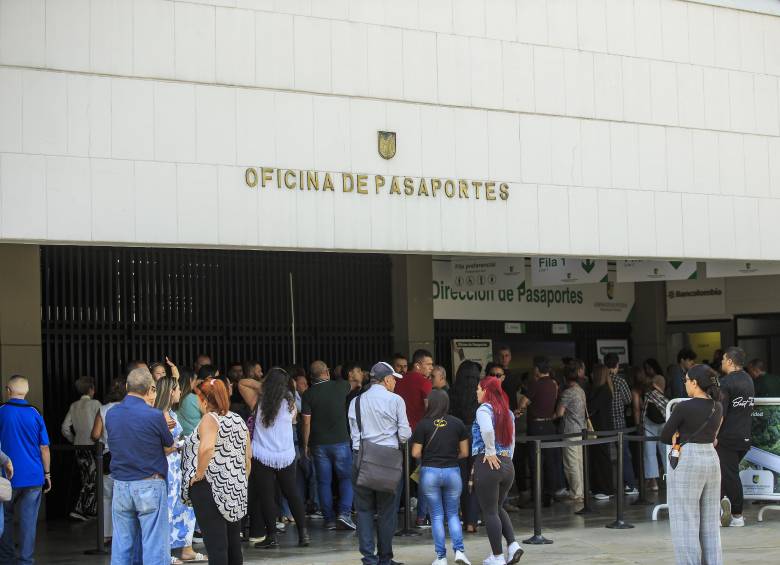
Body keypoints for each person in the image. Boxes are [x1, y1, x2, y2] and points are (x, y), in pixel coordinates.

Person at [106, 368, 175, 565]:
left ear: (127, 387)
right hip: (149, 483)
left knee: (122, 544)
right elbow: (168, 445)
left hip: (120, 484)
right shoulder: (154, 415)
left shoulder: (111, 414)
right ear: (149, 390)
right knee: (154, 544)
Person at [348, 362, 411, 565]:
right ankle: (385, 558)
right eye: (393, 379)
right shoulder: (396, 401)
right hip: (388, 461)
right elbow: (403, 435)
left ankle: (368, 558)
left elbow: (354, 435)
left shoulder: (355, 402)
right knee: (387, 511)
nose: (395, 383)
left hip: (362, 458)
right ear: (386, 379)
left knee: (364, 510)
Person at [182, 378, 251, 565]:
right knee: (233, 545)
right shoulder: (237, 419)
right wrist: (239, 480)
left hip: (209, 487)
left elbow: (206, 449)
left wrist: (198, 474)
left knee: (216, 546)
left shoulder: (209, 419)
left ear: (204, 399)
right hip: (233, 488)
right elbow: (247, 457)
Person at [660, 364, 724, 565]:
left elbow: (664, 436)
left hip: (688, 459)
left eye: (686, 380)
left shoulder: (684, 407)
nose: (685, 383)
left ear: (695, 383)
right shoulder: (717, 406)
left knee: (685, 520)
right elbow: (713, 436)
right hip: (711, 459)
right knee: (710, 523)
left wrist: (677, 436)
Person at [248, 368, 308, 548]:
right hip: (285, 455)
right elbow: (293, 422)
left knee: (267, 496)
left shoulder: (258, 402)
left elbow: (244, 383)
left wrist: (265, 387)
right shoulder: (291, 405)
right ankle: (303, 534)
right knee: (292, 494)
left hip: (262, 454)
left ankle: (272, 536)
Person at [410, 390, 471, 565]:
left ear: (430, 403)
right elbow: (465, 452)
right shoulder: (457, 423)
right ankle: (459, 552)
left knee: (436, 516)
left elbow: (415, 452)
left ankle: (441, 557)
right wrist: (450, 456)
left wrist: (430, 455)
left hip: (430, 472)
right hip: (452, 472)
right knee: (452, 514)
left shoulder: (423, 424)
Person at [471, 376, 523, 565]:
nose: (476, 392)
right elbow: (512, 440)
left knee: (490, 512)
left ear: (486, 391)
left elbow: (486, 430)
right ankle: (513, 545)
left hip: (489, 464)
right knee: (497, 508)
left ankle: (497, 556)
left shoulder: (484, 409)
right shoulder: (508, 412)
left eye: (478, 389)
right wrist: (506, 457)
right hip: (507, 465)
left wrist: (491, 451)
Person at [0, 375, 51, 565]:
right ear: (27, 391)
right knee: (28, 522)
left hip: (6, 477)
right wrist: (47, 474)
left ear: (8, 390)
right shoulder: (35, 414)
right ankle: (25, 560)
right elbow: (44, 448)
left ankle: (5, 559)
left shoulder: (2, 412)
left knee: (4, 519)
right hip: (33, 476)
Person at [301, 360, 355, 531]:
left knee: (323, 482)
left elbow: (306, 423)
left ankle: (329, 520)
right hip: (340, 441)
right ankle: (344, 514)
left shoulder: (308, 395)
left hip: (318, 444)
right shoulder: (340, 386)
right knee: (346, 478)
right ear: (326, 372)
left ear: (311, 377)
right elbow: (354, 384)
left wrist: (306, 444)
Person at [153, 377, 202, 564]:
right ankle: (165, 551)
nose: (181, 392)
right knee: (168, 507)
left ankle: (185, 547)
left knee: (183, 506)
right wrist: (181, 444)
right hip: (167, 465)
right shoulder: (160, 415)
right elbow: (164, 445)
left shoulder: (170, 413)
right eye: (177, 389)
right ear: (170, 392)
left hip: (176, 465)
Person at [394, 349, 434, 526]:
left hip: (400, 435)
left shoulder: (397, 381)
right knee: (423, 474)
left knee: (399, 475)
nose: (431, 368)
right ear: (418, 365)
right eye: (428, 364)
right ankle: (421, 517)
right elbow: (429, 406)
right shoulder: (424, 382)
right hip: (420, 435)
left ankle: (392, 514)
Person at [717, 346, 754, 528]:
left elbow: (721, 412)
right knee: (726, 474)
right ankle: (725, 508)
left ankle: (737, 515)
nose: (722, 362)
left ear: (730, 361)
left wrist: (713, 434)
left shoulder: (726, 382)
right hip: (744, 436)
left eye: (723, 359)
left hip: (728, 437)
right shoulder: (748, 380)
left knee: (730, 475)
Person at [90, 377, 127, 546]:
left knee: (106, 497)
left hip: (107, 456)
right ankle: (124, 535)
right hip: (127, 457)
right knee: (125, 497)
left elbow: (95, 435)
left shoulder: (103, 409)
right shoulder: (129, 409)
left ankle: (105, 535)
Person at [61, 375, 101, 521]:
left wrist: (74, 440)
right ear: (91, 389)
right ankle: (79, 509)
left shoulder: (74, 405)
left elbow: (65, 428)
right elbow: (101, 426)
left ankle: (89, 510)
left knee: (86, 478)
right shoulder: (96, 404)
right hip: (93, 447)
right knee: (93, 479)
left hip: (79, 447)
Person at [522, 357, 562, 506]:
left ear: (537, 369)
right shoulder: (554, 384)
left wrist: (520, 410)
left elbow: (524, 402)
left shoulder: (535, 383)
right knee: (550, 462)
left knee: (535, 462)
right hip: (550, 426)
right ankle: (549, 495)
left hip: (536, 426)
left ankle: (537, 496)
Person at [449, 361, 482, 534]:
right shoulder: (479, 393)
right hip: (476, 438)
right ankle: (471, 521)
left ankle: (458, 518)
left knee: (459, 480)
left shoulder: (452, 392)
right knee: (473, 480)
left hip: (457, 438)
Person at [604, 353, 637, 495]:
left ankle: (607, 487)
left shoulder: (600, 380)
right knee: (624, 455)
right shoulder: (620, 381)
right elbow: (629, 399)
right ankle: (629, 485)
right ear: (617, 365)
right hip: (620, 423)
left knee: (606, 456)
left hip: (604, 424)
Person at [556, 365, 587, 505]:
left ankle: (576, 494)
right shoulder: (581, 391)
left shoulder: (567, 393)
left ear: (565, 378)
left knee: (571, 464)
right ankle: (581, 491)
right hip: (581, 429)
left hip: (570, 430)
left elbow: (559, 413)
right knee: (579, 462)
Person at [587, 364, 614, 500]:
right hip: (602, 428)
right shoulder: (604, 389)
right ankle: (601, 487)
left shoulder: (602, 390)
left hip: (601, 429)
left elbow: (592, 407)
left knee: (602, 459)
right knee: (600, 458)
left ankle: (605, 488)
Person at [642, 374, 669, 492]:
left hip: (649, 426)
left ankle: (653, 482)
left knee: (650, 453)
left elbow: (643, 410)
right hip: (664, 426)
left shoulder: (648, 394)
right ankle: (670, 479)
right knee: (666, 452)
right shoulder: (665, 398)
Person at [178, 367, 204, 437]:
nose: (196, 382)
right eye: (195, 380)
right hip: (196, 437)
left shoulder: (173, 397)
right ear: (190, 380)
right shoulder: (194, 398)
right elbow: (208, 414)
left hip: (179, 438)